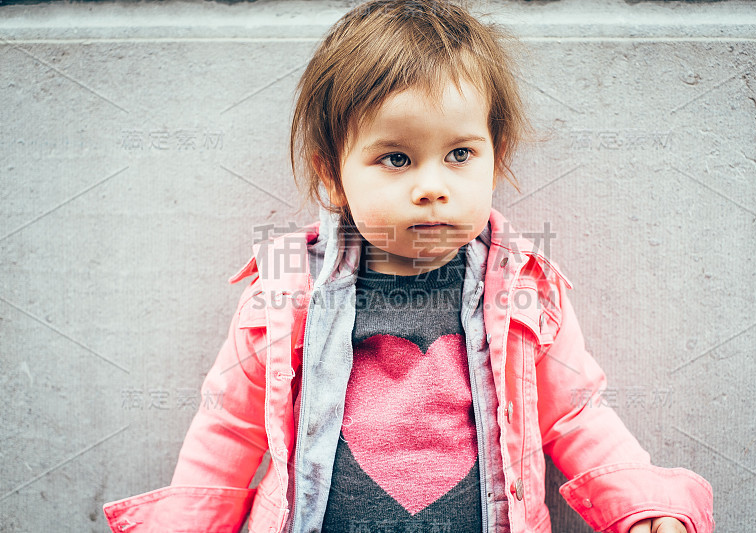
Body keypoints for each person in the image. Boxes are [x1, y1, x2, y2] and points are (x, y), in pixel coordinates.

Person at [103, 1, 714, 532]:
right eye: (395, 158)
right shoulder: (289, 283)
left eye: (458, 155)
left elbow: (576, 411)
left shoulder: (518, 282)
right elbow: (230, 426)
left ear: (493, 159)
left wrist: (641, 501)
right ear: (330, 171)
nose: (431, 187)